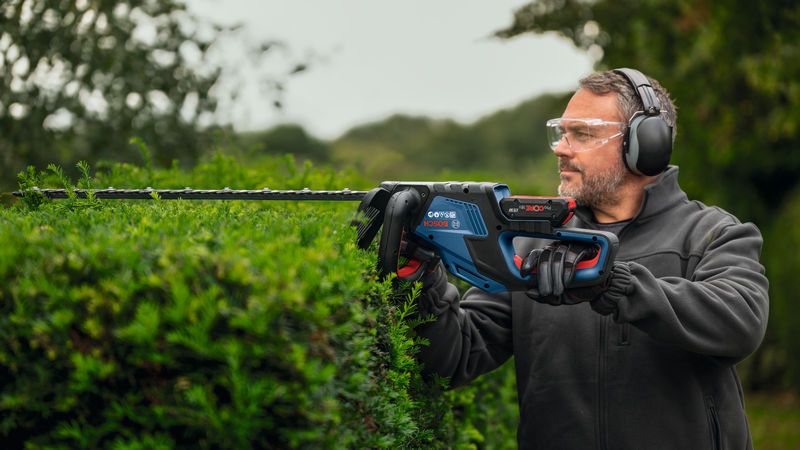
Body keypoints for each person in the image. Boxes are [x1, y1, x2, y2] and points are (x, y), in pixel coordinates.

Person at [407, 69, 769, 449]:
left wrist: (616, 285)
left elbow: (740, 323)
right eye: (562, 133)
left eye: (582, 134)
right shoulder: (531, 246)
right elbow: (454, 358)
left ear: (646, 145)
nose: (561, 148)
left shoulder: (714, 233)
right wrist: (420, 273)